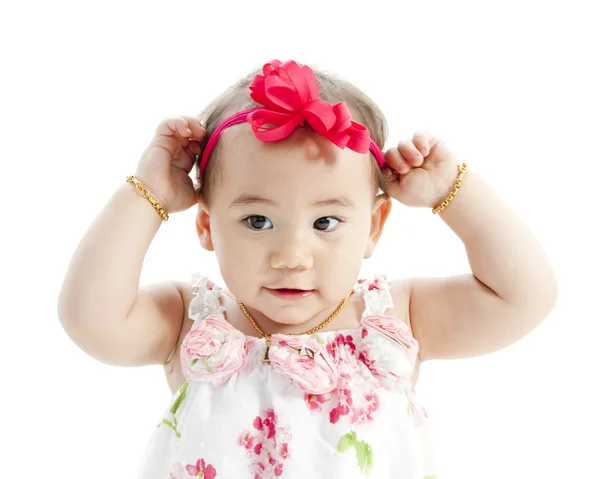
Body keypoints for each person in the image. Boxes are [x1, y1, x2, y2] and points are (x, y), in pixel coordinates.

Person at [57, 59, 558, 478]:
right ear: (206, 226)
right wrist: (148, 196)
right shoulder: (195, 323)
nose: (291, 255)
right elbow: (90, 318)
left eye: (326, 221)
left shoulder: (395, 319)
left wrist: (455, 192)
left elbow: (523, 295)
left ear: (374, 227)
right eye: (257, 220)